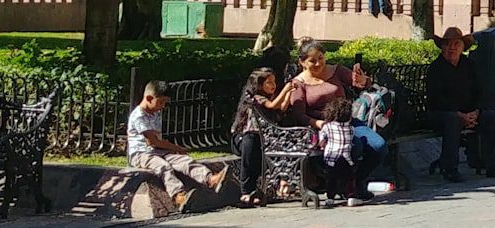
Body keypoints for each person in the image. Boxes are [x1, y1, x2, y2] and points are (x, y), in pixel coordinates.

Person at [273, 41, 386, 199]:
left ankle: (358, 181)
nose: (318, 63)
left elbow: (360, 82)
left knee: (378, 146)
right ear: (302, 62)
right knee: (355, 146)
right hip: (321, 127)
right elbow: (300, 115)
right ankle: (344, 185)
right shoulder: (299, 83)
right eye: (312, 61)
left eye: (321, 58)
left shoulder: (336, 70)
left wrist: (362, 80)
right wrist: (319, 123)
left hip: (347, 121)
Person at [425, 27, 495, 181]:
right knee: (453, 120)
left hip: (469, 113)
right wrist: (459, 114)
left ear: (462, 47)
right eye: (448, 44)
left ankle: (494, 166)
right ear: (442, 47)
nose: (452, 48)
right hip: (442, 114)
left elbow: (480, 91)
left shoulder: (469, 65)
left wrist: (476, 112)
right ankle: (449, 168)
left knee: (493, 118)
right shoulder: (435, 68)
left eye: (456, 44)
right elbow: (435, 99)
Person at [128, 81, 227, 209]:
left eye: (164, 102)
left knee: (184, 161)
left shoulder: (155, 113)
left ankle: (210, 179)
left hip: (158, 151)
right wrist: (177, 148)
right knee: (163, 167)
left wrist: (176, 152)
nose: (163, 106)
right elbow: (152, 141)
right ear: (149, 98)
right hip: (141, 154)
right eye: (161, 102)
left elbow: (157, 142)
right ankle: (178, 196)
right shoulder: (138, 116)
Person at [230, 68, 292, 206]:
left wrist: (289, 93)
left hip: (263, 137)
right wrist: (286, 90)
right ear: (258, 85)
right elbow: (272, 105)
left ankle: (270, 187)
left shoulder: (271, 96)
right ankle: (246, 192)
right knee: (250, 159)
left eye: (274, 82)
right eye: (269, 82)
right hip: (247, 136)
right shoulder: (255, 97)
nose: (273, 85)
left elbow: (281, 107)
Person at [316, 96, 359, 207]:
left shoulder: (328, 127)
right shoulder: (351, 128)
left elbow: (322, 139)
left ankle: (330, 198)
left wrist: (322, 143)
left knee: (331, 178)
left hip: (331, 158)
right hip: (346, 158)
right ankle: (351, 196)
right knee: (349, 178)